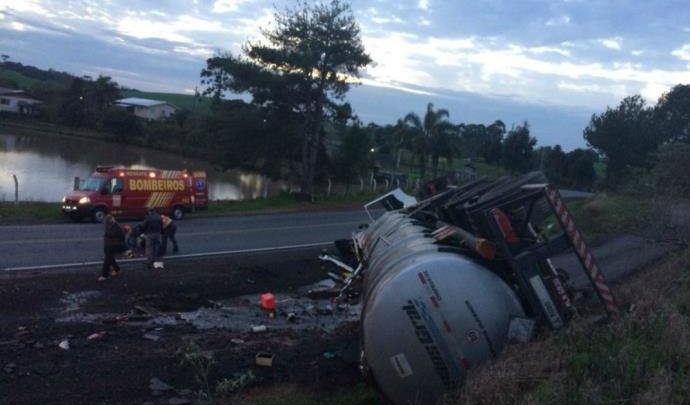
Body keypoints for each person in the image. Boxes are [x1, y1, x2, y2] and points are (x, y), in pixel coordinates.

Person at [100, 214, 126, 281]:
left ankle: (104, 275)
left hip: (112, 245)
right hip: (109, 245)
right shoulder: (111, 225)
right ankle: (117, 269)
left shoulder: (115, 227)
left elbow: (120, 236)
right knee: (110, 259)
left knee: (107, 260)